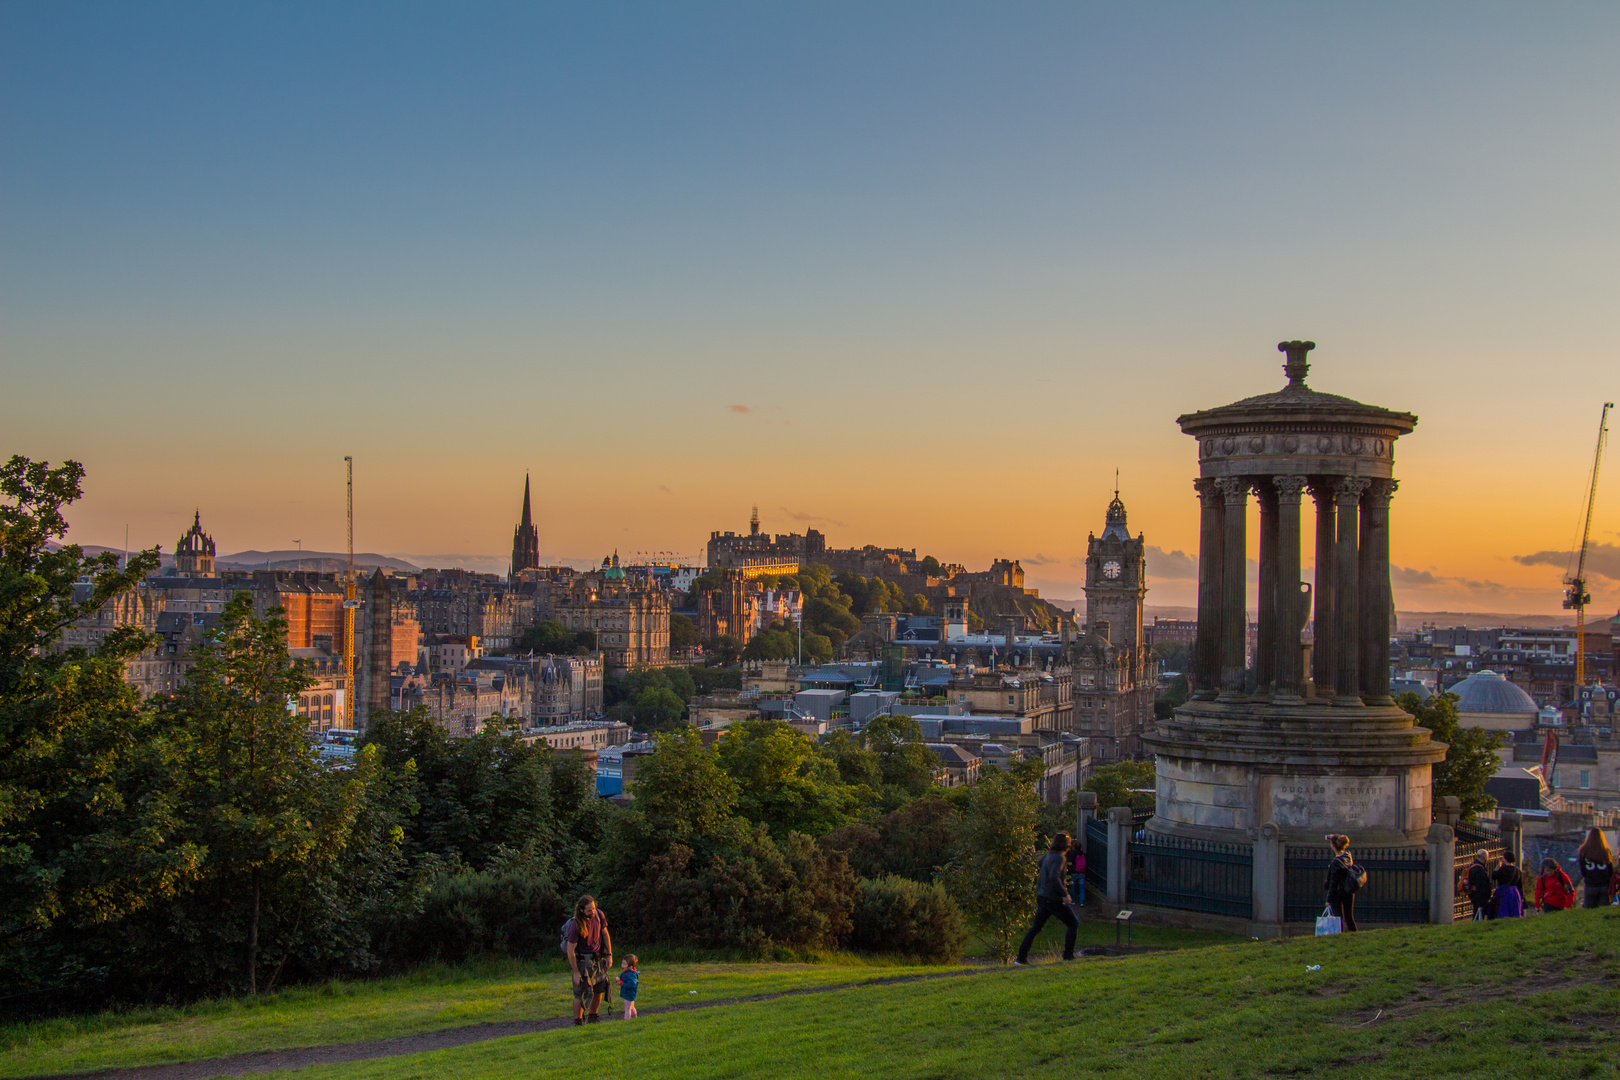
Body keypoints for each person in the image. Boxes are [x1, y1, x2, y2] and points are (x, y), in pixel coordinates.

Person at [1014, 833, 1079, 965]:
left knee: (1036, 928)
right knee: (1073, 923)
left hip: (1042, 896)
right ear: (1066, 845)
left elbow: (1039, 863)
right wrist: (1064, 894)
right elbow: (1054, 878)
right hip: (1053, 898)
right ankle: (1068, 955)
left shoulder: (1048, 855)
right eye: (1069, 844)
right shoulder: (1060, 858)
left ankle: (1021, 958)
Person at [566, 894, 613, 1025]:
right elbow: (570, 950)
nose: (592, 911)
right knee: (580, 991)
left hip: (597, 959)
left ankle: (593, 1017)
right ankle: (578, 1021)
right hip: (582, 961)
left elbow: (605, 934)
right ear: (581, 910)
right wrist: (575, 972)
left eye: (593, 908)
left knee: (600, 988)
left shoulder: (599, 915)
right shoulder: (575, 925)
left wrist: (609, 955)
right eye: (589, 910)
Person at [1323, 834, 1360, 933]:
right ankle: (1355, 935)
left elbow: (1333, 882)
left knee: (1338, 918)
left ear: (1332, 846)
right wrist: (1334, 837)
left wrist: (1328, 899)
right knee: (1349, 917)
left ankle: (1340, 937)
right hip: (1348, 890)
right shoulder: (1348, 856)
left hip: (1338, 892)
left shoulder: (1335, 862)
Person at [1576, 828, 1614, 909]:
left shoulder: (1583, 851)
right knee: (1603, 912)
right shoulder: (1606, 851)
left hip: (1590, 885)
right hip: (1605, 886)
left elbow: (1583, 871)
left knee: (1589, 911)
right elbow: (1611, 871)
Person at [1490, 851, 1524, 918]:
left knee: (1504, 908)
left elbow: (1494, 877)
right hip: (1514, 891)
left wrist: (1496, 868)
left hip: (1504, 890)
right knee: (1514, 909)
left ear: (1505, 859)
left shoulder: (1502, 869)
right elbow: (1520, 884)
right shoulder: (1517, 870)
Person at [1464, 850, 1493, 921]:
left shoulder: (1472, 865)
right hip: (1479, 897)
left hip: (1474, 896)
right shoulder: (1479, 869)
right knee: (1478, 915)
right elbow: (1481, 885)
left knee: (1477, 912)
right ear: (1485, 858)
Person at [1070, 844, 1087, 909]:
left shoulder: (1073, 854)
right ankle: (1082, 902)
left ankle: (1073, 901)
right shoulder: (1084, 854)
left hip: (1074, 872)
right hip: (1082, 873)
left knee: (1073, 887)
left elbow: (1070, 862)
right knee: (1082, 888)